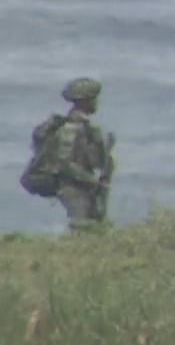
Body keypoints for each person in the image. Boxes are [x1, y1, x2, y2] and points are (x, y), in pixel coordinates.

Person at [21, 77, 115, 231]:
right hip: (72, 186)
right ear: (84, 101)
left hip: (80, 184)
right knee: (83, 227)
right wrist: (92, 181)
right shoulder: (71, 128)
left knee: (92, 225)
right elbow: (63, 163)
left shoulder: (85, 126)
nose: (96, 102)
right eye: (93, 98)